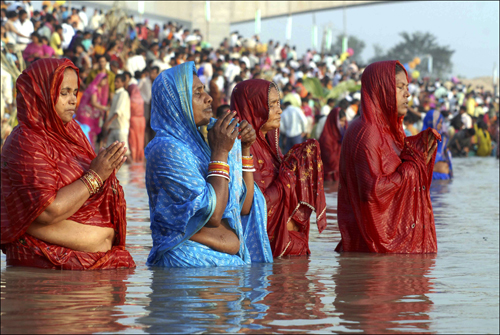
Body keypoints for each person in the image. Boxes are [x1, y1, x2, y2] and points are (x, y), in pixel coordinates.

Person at [0, 58, 135, 269]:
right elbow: (47, 210)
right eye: (64, 93)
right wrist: (96, 176)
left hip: (84, 267)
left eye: (74, 92)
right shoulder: (27, 140)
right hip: (44, 276)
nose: (73, 100)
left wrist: (106, 175)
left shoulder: (71, 131)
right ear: (41, 94)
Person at [145, 61, 272, 267]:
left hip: (213, 272)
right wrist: (221, 151)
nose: (209, 98)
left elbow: (244, 206)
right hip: (184, 269)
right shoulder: (166, 149)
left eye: (204, 90)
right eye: (197, 93)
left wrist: (245, 148)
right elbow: (212, 215)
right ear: (177, 102)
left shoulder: (199, 145)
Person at [335, 60, 441, 254]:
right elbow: (372, 191)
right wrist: (413, 166)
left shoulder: (389, 131)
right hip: (372, 257)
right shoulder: (367, 132)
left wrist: (417, 155)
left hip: (376, 254)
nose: (407, 94)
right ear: (381, 89)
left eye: (407, 87)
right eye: (400, 87)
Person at [231, 79, 327, 257]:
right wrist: (288, 175)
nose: (279, 110)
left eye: (279, 103)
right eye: (272, 104)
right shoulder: (242, 148)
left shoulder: (269, 147)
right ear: (254, 107)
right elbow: (253, 208)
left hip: (285, 248)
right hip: (265, 250)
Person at [76, 72, 109, 148]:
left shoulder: (93, 88)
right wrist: (104, 108)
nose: (105, 83)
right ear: (99, 80)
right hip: (87, 116)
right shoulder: (94, 88)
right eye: (104, 80)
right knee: (87, 136)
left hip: (87, 115)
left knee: (87, 136)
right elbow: (93, 103)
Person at [103, 74, 131, 156]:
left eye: (118, 82)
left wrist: (108, 122)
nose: (115, 83)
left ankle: (133, 167)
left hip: (121, 127)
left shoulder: (123, 94)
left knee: (125, 152)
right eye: (115, 81)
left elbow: (119, 111)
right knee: (109, 152)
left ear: (123, 83)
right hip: (114, 127)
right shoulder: (116, 94)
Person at [422, 109, 453, 180]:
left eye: (441, 123)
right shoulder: (420, 137)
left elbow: (438, 153)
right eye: (438, 122)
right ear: (430, 122)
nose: (440, 125)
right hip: (427, 169)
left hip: (437, 169)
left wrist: (424, 166)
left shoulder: (442, 136)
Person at [319, 108, 347, 182]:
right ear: (334, 121)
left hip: (339, 173)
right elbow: (330, 159)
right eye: (341, 121)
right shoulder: (326, 138)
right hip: (329, 175)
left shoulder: (342, 135)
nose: (343, 123)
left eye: (344, 121)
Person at [125, 74, 146, 162]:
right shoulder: (141, 99)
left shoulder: (131, 99)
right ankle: (140, 158)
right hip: (142, 120)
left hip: (133, 120)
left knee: (133, 140)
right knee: (140, 140)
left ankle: (134, 158)